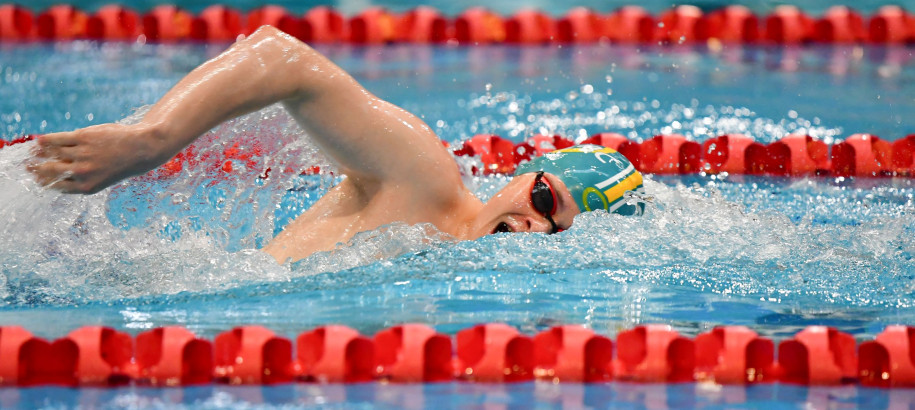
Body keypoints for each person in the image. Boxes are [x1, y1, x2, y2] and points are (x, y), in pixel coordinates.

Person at [27, 25, 645, 264]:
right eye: (544, 196)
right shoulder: (425, 180)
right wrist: (151, 141)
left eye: (557, 227)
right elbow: (283, 57)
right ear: (525, 174)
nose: (533, 224)